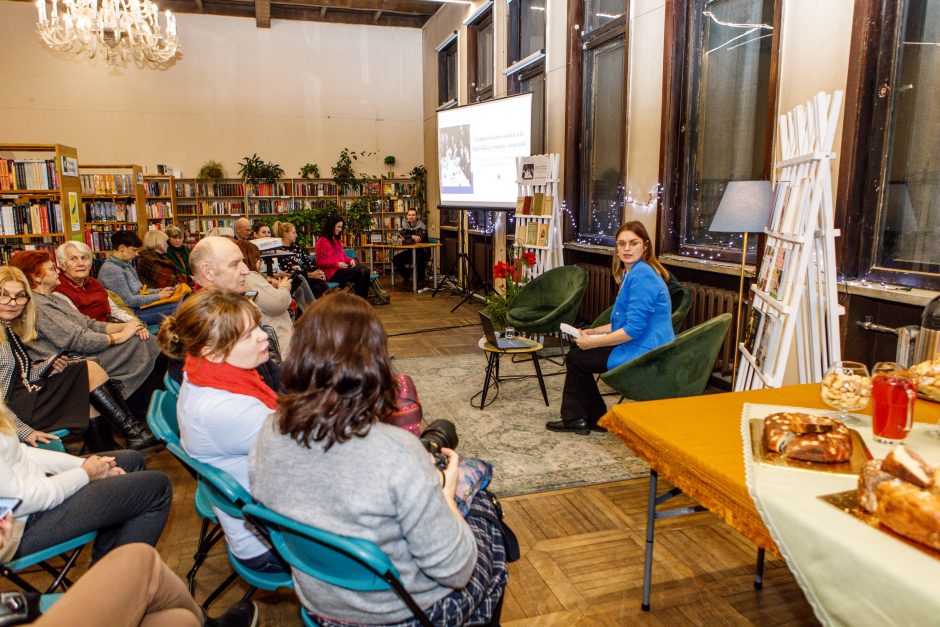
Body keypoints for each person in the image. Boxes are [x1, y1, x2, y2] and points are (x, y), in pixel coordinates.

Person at [250, 293, 508, 625]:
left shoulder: (270, 429)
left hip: (321, 601)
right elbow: (455, 571)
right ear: (375, 364)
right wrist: (446, 497)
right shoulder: (397, 451)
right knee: (486, 514)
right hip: (405, 612)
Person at [159, 290, 286, 575]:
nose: (263, 336)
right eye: (247, 334)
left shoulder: (202, 372)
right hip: (271, 542)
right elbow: (314, 453)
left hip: (259, 514)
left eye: (256, 325)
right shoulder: (228, 410)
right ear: (212, 350)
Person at [11, 251, 163, 445]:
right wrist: (119, 337)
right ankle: (142, 420)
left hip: (80, 353)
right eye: (51, 268)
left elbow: (89, 324)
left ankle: (142, 421)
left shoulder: (54, 298)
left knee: (146, 341)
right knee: (147, 345)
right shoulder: (39, 305)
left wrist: (128, 327)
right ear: (35, 276)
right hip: (70, 359)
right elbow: (77, 340)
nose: (57, 270)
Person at [0, 394, 171, 564]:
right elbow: (21, 500)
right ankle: (116, 585)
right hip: (15, 528)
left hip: (29, 499)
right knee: (157, 488)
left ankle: (105, 573)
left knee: (130, 461)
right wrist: (85, 473)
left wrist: (89, 465)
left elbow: (21, 452)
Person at [546, 221, 675, 435]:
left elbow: (631, 330)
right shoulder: (633, 272)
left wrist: (593, 343)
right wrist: (594, 331)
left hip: (645, 350)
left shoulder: (643, 277)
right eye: (621, 244)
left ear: (645, 246)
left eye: (633, 243)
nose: (626, 249)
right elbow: (623, 322)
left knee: (577, 358)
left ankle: (581, 417)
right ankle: (591, 417)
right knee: (578, 354)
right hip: (638, 342)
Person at [97, 231, 178, 325]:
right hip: (133, 313)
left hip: (139, 307)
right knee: (181, 307)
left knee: (182, 303)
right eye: (134, 250)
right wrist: (159, 296)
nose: (137, 254)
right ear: (122, 248)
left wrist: (160, 291)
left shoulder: (126, 264)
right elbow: (129, 301)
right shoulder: (111, 270)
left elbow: (140, 291)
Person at [53, 240, 138, 323]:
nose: (80, 263)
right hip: (95, 334)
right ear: (63, 265)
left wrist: (133, 321)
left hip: (113, 326)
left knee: (145, 335)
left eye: (84, 258)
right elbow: (80, 325)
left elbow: (114, 311)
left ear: (90, 263)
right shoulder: (59, 290)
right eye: (73, 259)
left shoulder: (94, 283)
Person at [234, 240, 293, 353]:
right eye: (258, 259)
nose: (260, 263)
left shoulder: (242, 279)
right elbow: (277, 303)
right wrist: (284, 288)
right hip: (279, 345)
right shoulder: (250, 277)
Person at [313, 216, 370, 299]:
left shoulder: (336, 240)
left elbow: (343, 256)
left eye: (341, 227)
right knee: (363, 271)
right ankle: (360, 303)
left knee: (363, 273)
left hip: (342, 270)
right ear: (331, 226)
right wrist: (337, 264)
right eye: (338, 227)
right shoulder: (322, 241)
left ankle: (359, 303)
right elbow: (320, 261)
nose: (340, 229)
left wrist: (351, 260)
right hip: (331, 274)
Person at [274, 221, 329, 299]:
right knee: (318, 287)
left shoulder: (296, 247)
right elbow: (289, 271)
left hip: (307, 275)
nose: (296, 235)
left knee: (321, 283)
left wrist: (319, 272)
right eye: (294, 233)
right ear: (285, 234)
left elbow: (307, 262)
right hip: (295, 279)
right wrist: (311, 275)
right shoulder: (279, 251)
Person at [392, 209, 430, 285]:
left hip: (422, 251)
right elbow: (401, 235)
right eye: (409, 215)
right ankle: (406, 275)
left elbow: (418, 239)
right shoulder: (406, 225)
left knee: (418, 258)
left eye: (413, 215)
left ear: (417, 216)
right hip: (411, 251)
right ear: (407, 216)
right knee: (396, 259)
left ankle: (421, 280)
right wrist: (412, 236)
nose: (411, 217)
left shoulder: (421, 225)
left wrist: (407, 238)